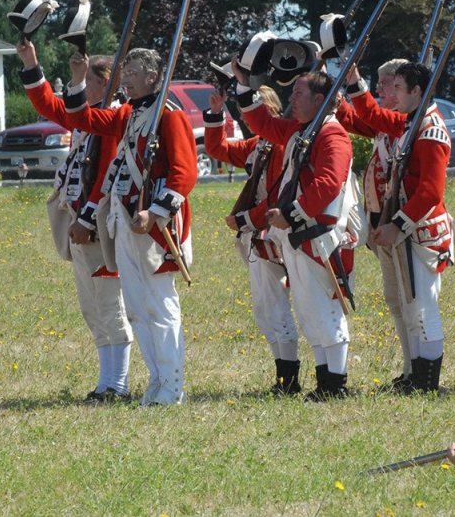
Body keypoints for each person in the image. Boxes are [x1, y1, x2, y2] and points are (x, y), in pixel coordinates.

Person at [33, 46, 197, 406]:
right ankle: (156, 382)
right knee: (138, 308)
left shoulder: (167, 116)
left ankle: (172, 384)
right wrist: (76, 80)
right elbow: (82, 119)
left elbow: (185, 173)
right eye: (126, 75)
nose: (127, 82)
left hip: (155, 227)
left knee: (160, 306)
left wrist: (154, 212)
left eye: (134, 75)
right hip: (124, 220)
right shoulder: (129, 114)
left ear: (153, 77)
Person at [17, 40, 134, 402]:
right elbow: (47, 104)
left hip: (98, 224)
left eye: (90, 81)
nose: (84, 88)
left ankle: (118, 383)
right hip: (81, 223)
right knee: (92, 307)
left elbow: (105, 177)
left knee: (110, 304)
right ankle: (105, 382)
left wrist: (86, 219)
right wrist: (31, 63)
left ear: (106, 83)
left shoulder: (113, 119)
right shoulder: (87, 115)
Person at [236, 69, 361, 401]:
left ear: (319, 100)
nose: (291, 99)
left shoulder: (332, 135)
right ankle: (325, 382)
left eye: (299, 95)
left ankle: (335, 383)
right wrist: (243, 83)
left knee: (325, 309)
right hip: (299, 233)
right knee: (309, 311)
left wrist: (289, 214)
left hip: (320, 234)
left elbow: (327, 184)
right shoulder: (302, 130)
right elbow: (263, 124)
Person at [346, 62, 454, 392]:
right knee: (407, 305)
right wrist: (354, 85)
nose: (392, 94)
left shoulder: (430, 130)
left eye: (398, 88)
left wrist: (398, 225)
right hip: (406, 230)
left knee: (422, 307)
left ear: (416, 92)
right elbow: (375, 118)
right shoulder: (412, 123)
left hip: (420, 232)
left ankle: (426, 382)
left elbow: (429, 192)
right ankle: (414, 375)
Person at [203, 85, 301, 393]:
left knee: (275, 306)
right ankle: (283, 374)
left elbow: (275, 197)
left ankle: (289, 379)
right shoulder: (259, 145)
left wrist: (245, 219)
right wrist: (217, 113)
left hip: (273, 232)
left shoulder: (281, 146)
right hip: (257, 233)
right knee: (264, 309)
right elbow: (217, 149)